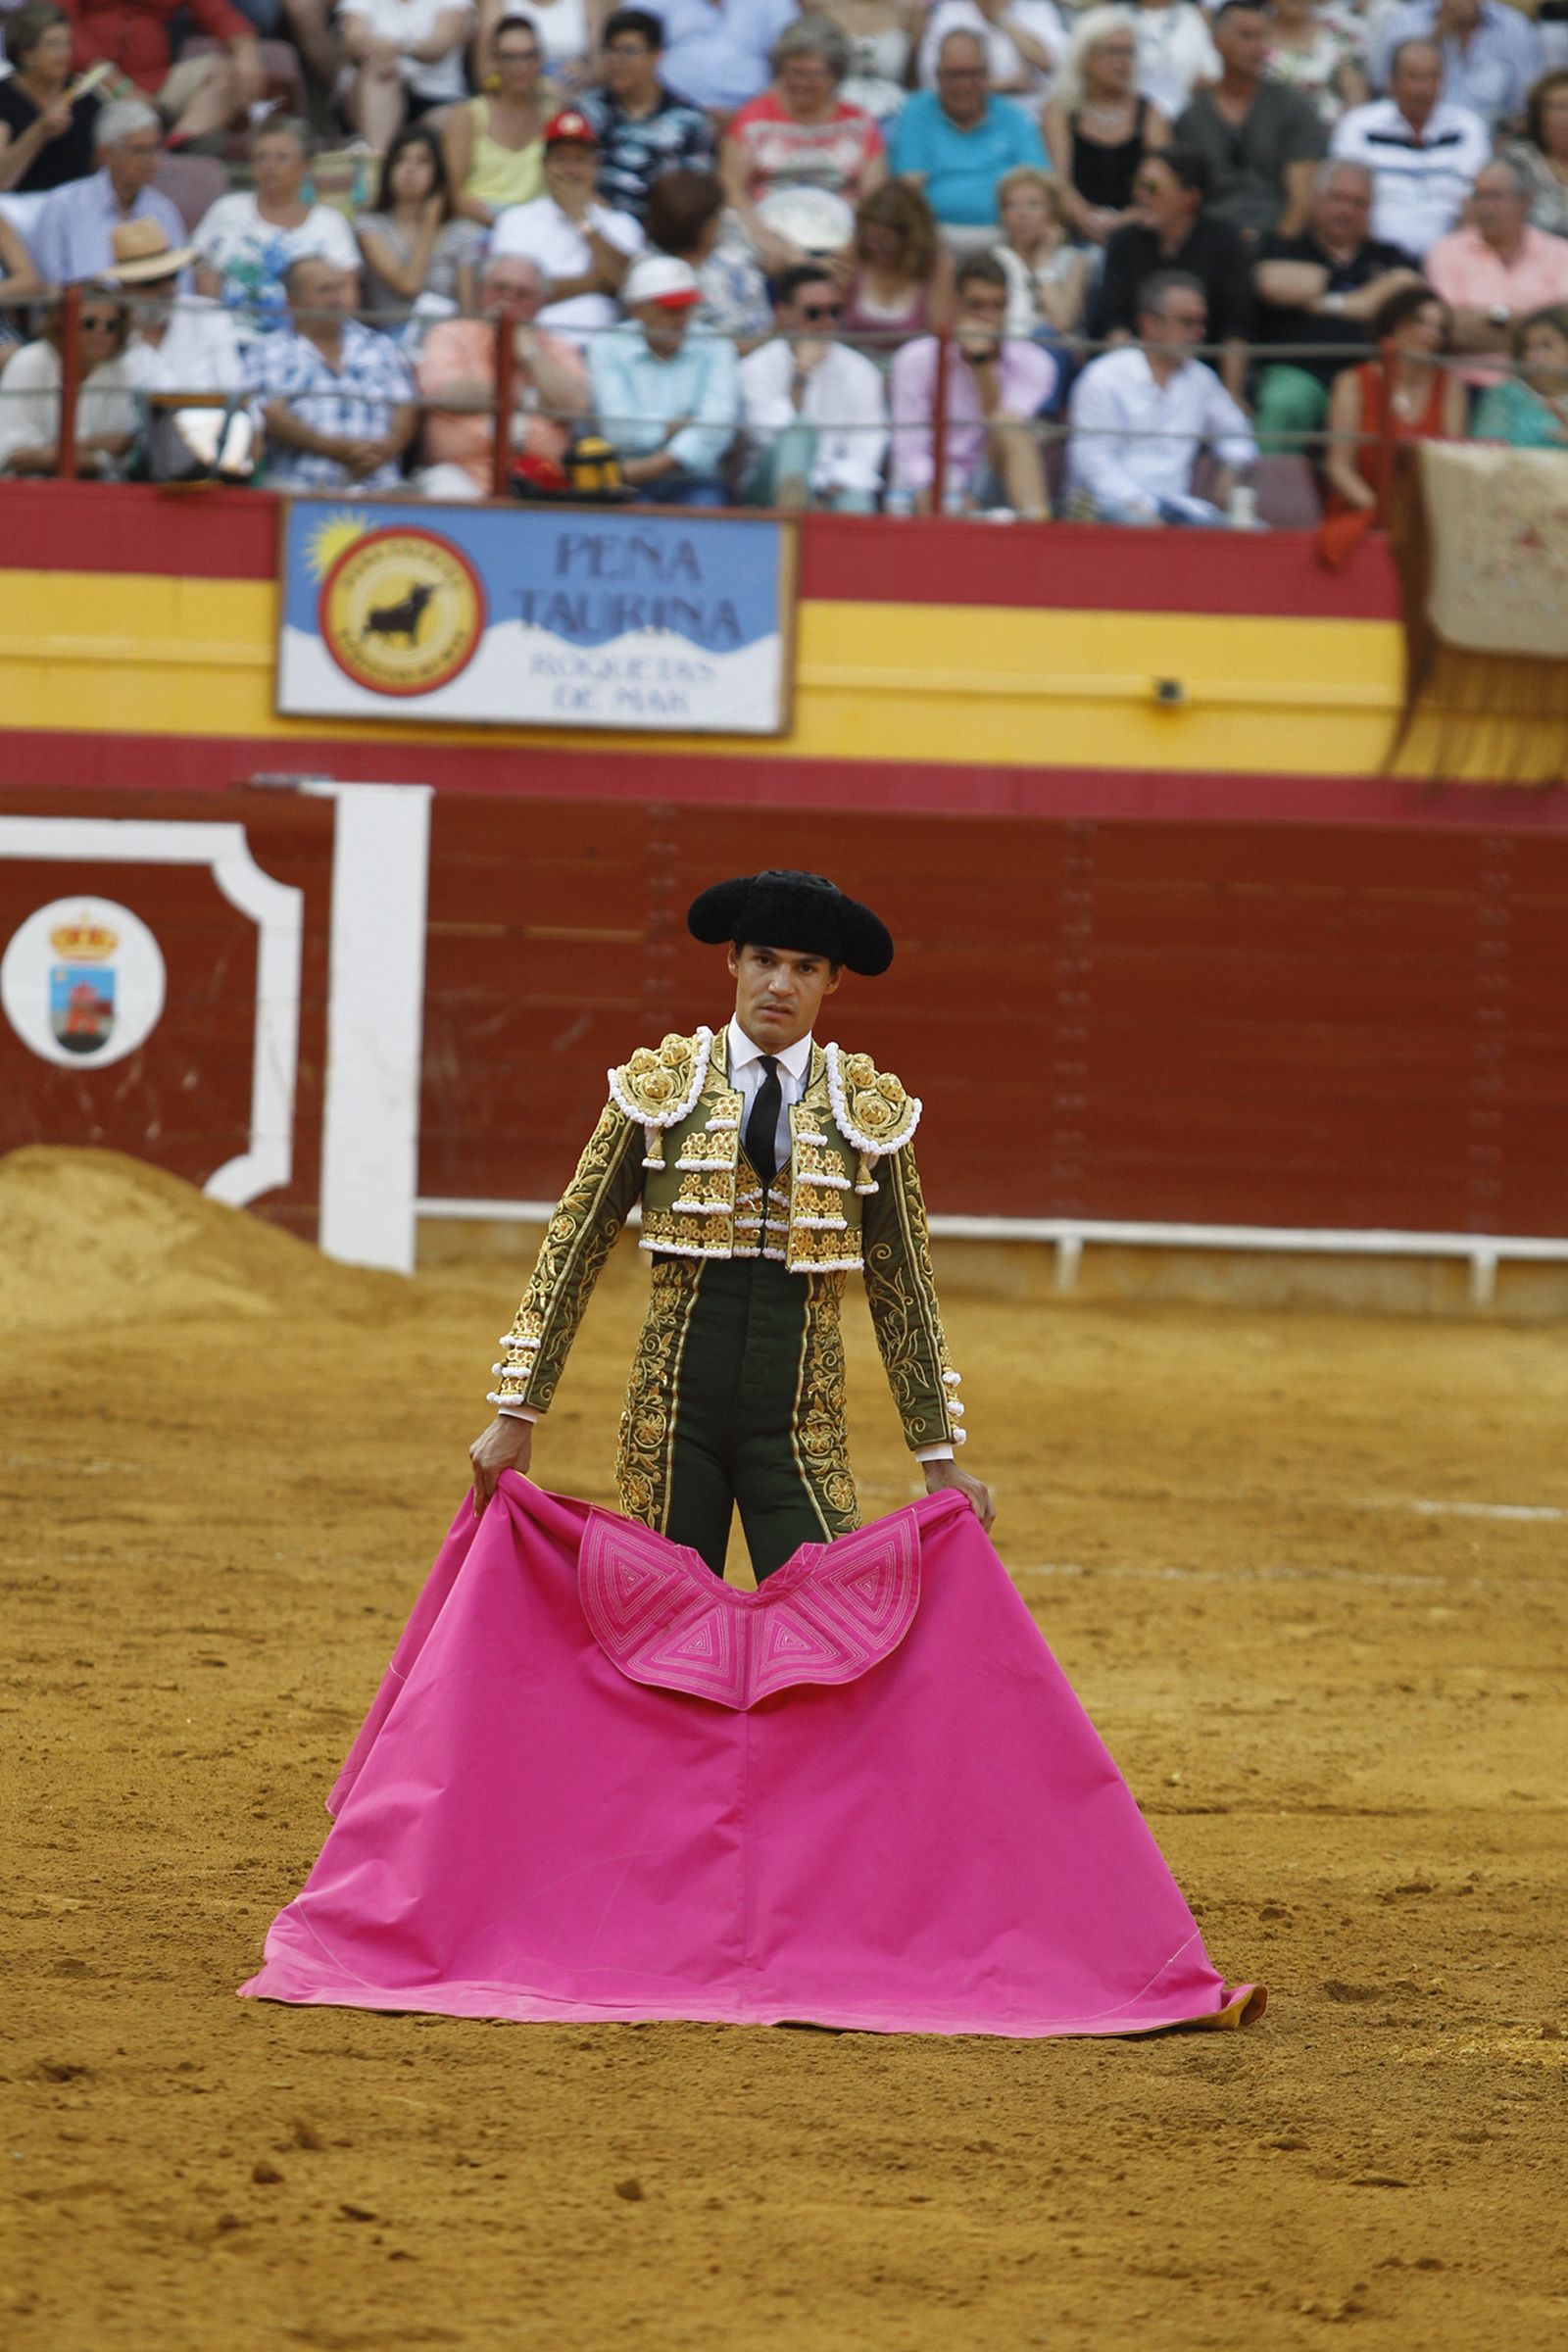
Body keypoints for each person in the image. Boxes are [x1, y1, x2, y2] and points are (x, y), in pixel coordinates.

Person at [469, 871, 991, 1573]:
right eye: (764, 961)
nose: (781, 983)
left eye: (805, 968)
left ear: (833, 981)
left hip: (802, 1425)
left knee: (825, 1619)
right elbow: (573, 1247)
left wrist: (939, 1457)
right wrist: (516, 1413)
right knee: (663, 1630)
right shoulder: (658, 1087)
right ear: (733, 963)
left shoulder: (867, 1111)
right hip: (673, 1416)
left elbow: (905, 1286)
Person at [1252, 156, 1423, 447]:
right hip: (1300, 374)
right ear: (1315, 199)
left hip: (1371, 379)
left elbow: (1408, 291)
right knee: (1283, 402)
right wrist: (1366, 292)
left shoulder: (1389, 256)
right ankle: (1271, 492)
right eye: (1337, 198)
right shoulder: (1283, 247)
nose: (1346, 210)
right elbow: (1271, 282)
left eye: (1358, 203)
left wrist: (1322, 299)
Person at [1065, 268, 1257, 523]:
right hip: (1108, 508)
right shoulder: (1104, 376)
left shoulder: (1201, 379)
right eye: (1187, 322)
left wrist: (1232, 466)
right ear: (1149, 325)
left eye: (1202, 322)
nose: (1199, 332)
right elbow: (1093, 461)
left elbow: (1237, 432)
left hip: (1176, 509)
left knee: (1255, 531)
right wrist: (1142, 508)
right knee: (1138, 524)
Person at [888, 247, 1053, 513]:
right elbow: (909, 450)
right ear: (956, 304)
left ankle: (1038, 528)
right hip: (930, 479)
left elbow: (1002, 431)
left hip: (993, 476)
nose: (987, 316)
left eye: (997, 306)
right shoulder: (915, 358)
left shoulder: (1035, 362)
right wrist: (945, 491)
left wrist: (981, 364)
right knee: (923, 496)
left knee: (1011, 427)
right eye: (976, 306)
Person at [416, 249, 591, 494]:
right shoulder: (450, 333)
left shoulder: (558, 346)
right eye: (500, 288)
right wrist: (524, 396)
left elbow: (575, 406)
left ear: (541, 303)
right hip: (460, 474)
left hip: (542, 478)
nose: (508, 299)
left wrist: (530, 352)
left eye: (523, 294)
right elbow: (447, 393)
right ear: (482, 291)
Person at [720, 17, 886, 275]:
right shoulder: (751, 121)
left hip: (844, 246)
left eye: (812, 74)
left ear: (836, 74)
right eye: (793, 72)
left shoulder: (860, 124)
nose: (801, 82)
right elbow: (731, 191)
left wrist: (848, 251)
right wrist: (775, 247)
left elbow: (875, 198)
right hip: (768, 246)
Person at [1093, 146, 1252, 401]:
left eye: (1152, 188)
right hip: (1138, 371)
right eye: (1138, 184)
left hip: (1208, 373)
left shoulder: (1225, 241)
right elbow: (1115, 323)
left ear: (1189, 197)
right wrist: (1133, 387)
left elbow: (1236, 328)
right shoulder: (1123, 242)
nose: (1139, 195)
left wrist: (1231, 396)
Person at [252, 254, 419, 489]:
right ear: (293, 300)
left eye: (341, 288)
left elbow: (407, 408)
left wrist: (381, 452)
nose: (337, 299)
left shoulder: (380, 346)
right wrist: (336, 449)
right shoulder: (269, 352)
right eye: (324, 290)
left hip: (381, 483)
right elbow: (270, 415)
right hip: (298, 485)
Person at [193, 116, 359, 349]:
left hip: (305, 347)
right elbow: (200, 268)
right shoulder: (226, 210)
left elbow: (347, 297)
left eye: (282, 157)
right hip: (227, 343)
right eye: (261, 157)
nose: (269, 166)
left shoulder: (330, 223)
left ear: (304, 166)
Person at [587, 248, 738, 503]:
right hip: (630, 483)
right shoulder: (607, 345)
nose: (683, 320)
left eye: (688, 309)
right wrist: (675, 427)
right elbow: (618, 430)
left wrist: (653, 464)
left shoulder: (718, 345)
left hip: (688, 478)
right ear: (638, 310)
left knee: (706, 511)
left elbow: (719, 428)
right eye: (671, 310)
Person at [1171, 0, 1325, 243]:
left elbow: (1302, 201)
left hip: (1278, 243)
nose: (1258, 47)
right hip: (1209, 247)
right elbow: (1183, 199)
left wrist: (1272, 249)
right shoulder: (1191, 118)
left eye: (1263, 37)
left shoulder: (1294, 107)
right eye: (1247, 36)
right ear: (1217, 42)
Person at [739, 259, 889, 508]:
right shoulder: (756, 366)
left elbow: (867, 449)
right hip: (768, 485)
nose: (826, 322)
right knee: (798, 432)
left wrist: (825, 495)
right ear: (784, 313)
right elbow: (768, 435)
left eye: (834, 311)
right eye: (813, 313)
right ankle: (794, 518)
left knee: (856, 503)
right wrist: (800, 378)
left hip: (834, 484)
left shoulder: (861, 371)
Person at [489, 106, 644, 347]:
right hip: (533, 343)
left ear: (595, 167)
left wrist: (582, 220)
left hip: (600, 347)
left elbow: (629, 287)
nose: (571, 170)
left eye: (579, 160)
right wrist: (596, 283)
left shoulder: (621, 223)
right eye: (561, 160)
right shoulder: (515, 219)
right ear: (544, 165)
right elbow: (512, 296)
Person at [1330, 38, 1489, 261]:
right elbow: (1346, 196)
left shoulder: (1468, 127)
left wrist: (1453, 256)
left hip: (1454, 257)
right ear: (1391, 81)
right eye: (1414, 77)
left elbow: (1475, 200)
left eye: (1431, 78)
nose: (1422, 88)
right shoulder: (1358, 125)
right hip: (1374, 254)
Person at [888, 26, 1048, 243]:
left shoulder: (1014, 118)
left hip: (1005, 236)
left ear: (988, 75)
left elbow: (1038, 185)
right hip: (933, 237)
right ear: (937, 76)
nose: (964, 84)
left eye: (973, 74)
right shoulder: (916, 111)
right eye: (954, 74)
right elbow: (909, 185)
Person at [1321, 280, 1463, 513]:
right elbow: (1339, 467)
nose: (1431, 334)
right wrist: (1381, 512)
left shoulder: (1450, 387)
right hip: (1361, 510)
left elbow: (1452, 464)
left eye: (1440, 328)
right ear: (1393, 324)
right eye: (1420, 322)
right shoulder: (1352, 383)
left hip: (1426, 514)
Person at [1426, 153, 1568, 383]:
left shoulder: (1560, 253)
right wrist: (1534, 331)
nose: (1484, 207)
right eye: (1479, 196)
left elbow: (1564, 327)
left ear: (1525, 200)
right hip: (1468, 386)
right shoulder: (1445, 251)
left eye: (1494, 196)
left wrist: (1489, 320)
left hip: (1541, 390)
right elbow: (1446, 329)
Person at [1042, 5, 1171, 248]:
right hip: (1074, 232)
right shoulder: (1060, 111)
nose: (1122, 62)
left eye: (1128, 53)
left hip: (1138, 231)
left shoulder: (1150, 115)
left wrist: (1121, 222)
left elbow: (1159, 185)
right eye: (1112, 52)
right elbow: (1059, 180)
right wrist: (1088, 219)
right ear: (1085, 57)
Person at [58, 0, 265, 148]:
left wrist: (246, 49)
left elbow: (218, 13)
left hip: (156, 81)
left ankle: (176, 142)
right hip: (93, 79)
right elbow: (63, 22)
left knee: (228, 72)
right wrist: (118, 84)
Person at [30, 97, 188, 285]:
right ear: (106, 153)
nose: (151, 160)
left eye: (155, 148)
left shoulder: (163, 209)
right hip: (84, 312)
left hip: (154, 312)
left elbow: (182, 287)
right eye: (139, 150)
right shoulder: (63, 206)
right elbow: (51, 288)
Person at [578, 7, 713, 222]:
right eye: (610, 50)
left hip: (664, 232)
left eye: (629, 51)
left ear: (656, 55)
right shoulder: (586, 112)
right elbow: (566, 175)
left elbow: (694, 192)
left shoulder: (689, 120)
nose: (617, 61)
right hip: (594, 225)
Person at [0, 283, 135, 470]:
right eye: (89, 323)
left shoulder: (120, 369)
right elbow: (16, 456)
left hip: (100, 485)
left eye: (112, 326)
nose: (101, 332)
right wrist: (92, 445)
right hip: (29, 486)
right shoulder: (28, 362)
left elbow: (120, 450)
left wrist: (53, 451)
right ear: (61, 323)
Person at [355, 121, 481, 320]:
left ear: (438, 173)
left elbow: (469, 314)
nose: (410, 169)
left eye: (422, 161)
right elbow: (409, 285)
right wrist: (430, 224)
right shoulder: (369, 224)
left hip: (446, 338)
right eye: (401, 159)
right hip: (391, 339)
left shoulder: (460, 232)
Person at [110, 216, 246, 390]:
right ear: (125, 287)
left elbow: (235, 393)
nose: (166, 288)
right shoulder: (107, 332)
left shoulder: (209, 316)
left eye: (172, 276)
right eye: (152, 282)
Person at [1369, 0, 1540, 137]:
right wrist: (1440, 30)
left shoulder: (1515, 26)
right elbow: (1387, 88)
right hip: (1418, 133)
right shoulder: (1406, 19)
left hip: (1494, 137)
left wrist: (1506, 139)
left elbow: (1524, 105)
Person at [643, 164, 770, 342]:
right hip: (700, 362)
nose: (720, 219)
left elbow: (774, 261)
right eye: (713, 216)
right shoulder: (651, 267)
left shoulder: (730, 234)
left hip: (763, 350)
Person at [442, 13, 546, 229]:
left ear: (540, 59)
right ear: (495, 60)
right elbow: (455, 196)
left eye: (529, 56)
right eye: (510, 57)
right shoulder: (468, 115)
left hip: (537, 227)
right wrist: (505, 227)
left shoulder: (553, 113)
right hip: (479, 225)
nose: (521, 66)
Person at [338, 0, 474, 155]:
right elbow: (352, 40)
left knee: (452, 122)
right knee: (382, 73)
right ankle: (379, 160)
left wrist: (398, 47)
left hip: (437, 98)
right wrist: (378, 50)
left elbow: (440, 45)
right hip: (373, 93)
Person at [840, 176, 956, 351]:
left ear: (911, 240)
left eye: (885, 241)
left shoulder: (937, 267)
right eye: (872, 238)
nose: (876, 248)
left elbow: (938, 338)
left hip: (911, 370)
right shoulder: (853, 256)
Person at [0, 2, 101, 195]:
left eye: (68, 43)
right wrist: (40, 131)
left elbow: (101, 163)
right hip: (21, 204)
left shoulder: (82, 94)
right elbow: (2, 180)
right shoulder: (4, 96)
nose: (65, 54)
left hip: (75, 201)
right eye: (54, 45)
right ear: (25, 53)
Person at [642, 0, 799, 118]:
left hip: (752, 115)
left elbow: (793, 61)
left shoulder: (775, 4)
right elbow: (630, 44)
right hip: (668, 114)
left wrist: (746, 115)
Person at [990, 164, 1087, 342]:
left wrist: (1042, 261)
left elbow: (1062, 322)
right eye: (1011, 205)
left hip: (1051, 350)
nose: (1021, 214)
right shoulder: (993, 259)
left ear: (1053, 212)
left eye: (1033, 204)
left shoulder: (1073, 259)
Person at [913, 0, 1068, 100]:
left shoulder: (1037, 7)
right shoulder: (951, 11)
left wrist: (1001, 18)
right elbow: (932, 80)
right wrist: (1005, 85)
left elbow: (1052, 62)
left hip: (1033, 116)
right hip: (964, 115)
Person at [1262, 0, 1369, 130]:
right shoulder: (1251, 33)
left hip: (1327, 135)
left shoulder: (1338, 33)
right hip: (1262, 135)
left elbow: (1355, 98)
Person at [1470, 302, 1568, 443]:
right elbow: (1485, 453)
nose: (1533, 355)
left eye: (1546, 345)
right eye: (1527, 347)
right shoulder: (1505, 396)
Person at [811, 0, 920, 124]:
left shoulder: (911, 8)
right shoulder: (818, 5)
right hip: (833, 117)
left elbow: (915, 78)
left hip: (896, 116)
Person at [1128, 0, 1219, 123]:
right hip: (1130, 116)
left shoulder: (1192, 16)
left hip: (1186, 116)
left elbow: (1212, 71)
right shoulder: (1116, 16)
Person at [475, 0, 595, 94]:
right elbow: (485, 73)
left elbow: (600, 66)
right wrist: (538, 84)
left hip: (577, 95)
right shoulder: (497, 4)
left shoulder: (589, 3)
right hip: (514, 98)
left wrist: (584, 72)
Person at [1508, 69, 1568, 242]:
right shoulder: (1517, 162)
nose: (1565, 118)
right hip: (1538, 263)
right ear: (1538, 116)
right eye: (1557, 108)